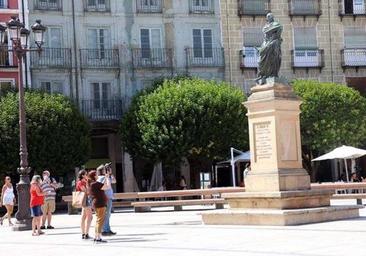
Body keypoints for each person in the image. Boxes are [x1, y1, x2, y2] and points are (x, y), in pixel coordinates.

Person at [256, 13, 283, 85]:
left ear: (272, 17)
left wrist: (270, 30)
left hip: (274, 43)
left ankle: (272, 74)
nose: (268, 18)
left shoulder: (276, 24)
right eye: (267, 17)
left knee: (273, 59)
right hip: (266, 44)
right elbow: (265, 32)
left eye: (269, 16)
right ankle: (263, 75)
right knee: (261, 61)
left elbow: (279, 28)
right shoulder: (265, 26)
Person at [88, 170, 110, 243]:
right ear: (94, 176)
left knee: (98, 220)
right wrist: (107, 178)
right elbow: (108, 187)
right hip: (100, 203)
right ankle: (98, 238)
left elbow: (103, 187)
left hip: (96, 203)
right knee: (100, 221)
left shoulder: (92, 184)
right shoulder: (96, 184)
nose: (98, 175)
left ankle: (96, 237)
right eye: (97, 174)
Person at [96, 164, 117, 236]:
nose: (108, 170)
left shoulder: (105, 177)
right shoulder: (102, 178)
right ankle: (105, 230)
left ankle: (107, 229)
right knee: (106, 215)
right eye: (106, 169)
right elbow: (106, 187)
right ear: (103, 171)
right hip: (106, 198)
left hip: (108, 198)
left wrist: (110, 174)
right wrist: (107, 176)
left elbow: (114, 181)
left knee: (108, 214)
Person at [76, 169, 93, 240]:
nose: (87, 176)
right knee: (90, 217)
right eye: (86, 174)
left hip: (85, 200)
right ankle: (86, 233)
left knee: (83, 217)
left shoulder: (83, 182)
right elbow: (86, 191)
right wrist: (87, 184)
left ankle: (84, 233)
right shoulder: (81, 182)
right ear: (83, 175)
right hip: (85, 200)